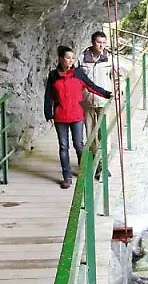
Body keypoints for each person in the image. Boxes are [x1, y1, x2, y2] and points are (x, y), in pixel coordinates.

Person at [44, 45, 112, 188]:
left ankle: (83, 172)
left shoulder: (78, 73)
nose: (71, 60)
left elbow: (91, 86)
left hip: (76, 114)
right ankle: (67, 177)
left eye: (73, 58)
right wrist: (48, 113)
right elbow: (49, 95)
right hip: (60, 115)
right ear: (61, 59)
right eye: (68, 58)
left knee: (79, 145)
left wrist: (107, 94)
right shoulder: (53, 75)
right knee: (63, 147)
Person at [80, 31, 117, 179]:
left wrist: (117, 90)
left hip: (104, 102)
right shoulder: (82, 59)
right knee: (91, 136)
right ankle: (95, 165)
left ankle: (103, 165)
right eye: (98, 42)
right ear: (92, 42)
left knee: (104, 136)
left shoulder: (110, 59)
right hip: (87, 102)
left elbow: (117, 76)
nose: (101, 45)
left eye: (103, 43)